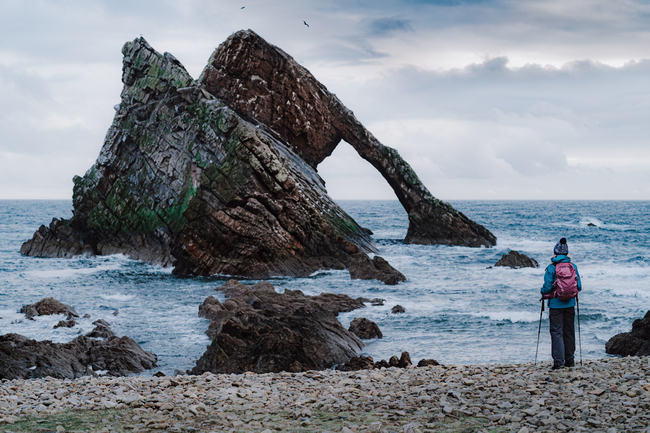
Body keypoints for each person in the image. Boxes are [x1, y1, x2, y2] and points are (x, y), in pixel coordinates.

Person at [541, 237, 582, 370]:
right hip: (570, 304)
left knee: (556, 332)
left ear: (555, 253)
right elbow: (579, 286)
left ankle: (558, 362)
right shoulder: (573, 266)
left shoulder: (551, 267)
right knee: (569, 331)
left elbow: (547, 288)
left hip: (555, 305)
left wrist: (542, 292)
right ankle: (570, 360)